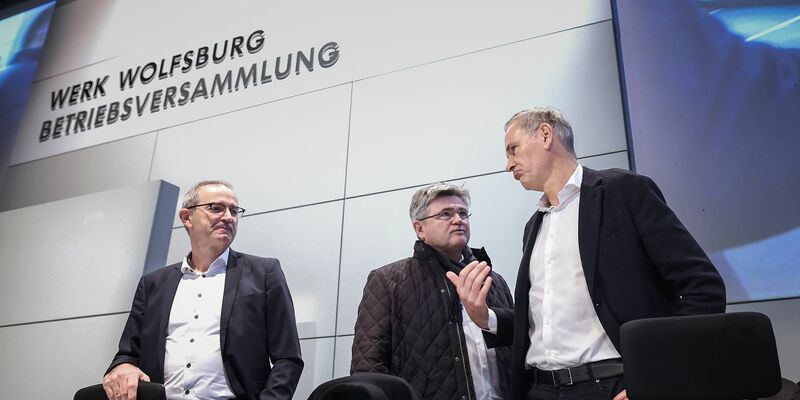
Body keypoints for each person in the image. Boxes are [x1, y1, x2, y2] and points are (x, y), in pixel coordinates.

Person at [447, 108, 726, 400]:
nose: (508, 164)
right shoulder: (534, 225)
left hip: (611, 386)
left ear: (545, 135)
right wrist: (486, 317)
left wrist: (660, 375)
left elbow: (702, 287)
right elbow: (543, 320)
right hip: (540, 389)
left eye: (513, 149)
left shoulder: (624, 191)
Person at [102, 180, 303, 400]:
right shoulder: (153, 284)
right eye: (216, 208)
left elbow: (288, 358)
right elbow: (128, 353)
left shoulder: (264, 272)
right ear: (187, 218)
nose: (228, 217)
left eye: (234, 211)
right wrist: (124, 366)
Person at [351, 183, 514, 400]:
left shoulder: (494, 281)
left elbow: (520, 346)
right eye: (445, 214)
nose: (458, 219)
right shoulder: (388, 281)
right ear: (420, 229)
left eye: (463, 213)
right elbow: (368, 367)